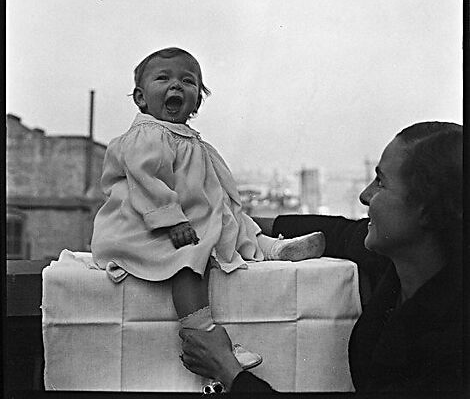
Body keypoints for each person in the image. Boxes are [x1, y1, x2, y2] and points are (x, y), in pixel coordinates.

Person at [179, 121, 463, 394]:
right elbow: (337, 232)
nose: (365, 195)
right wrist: (237, 225)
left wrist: (229, 372)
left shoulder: (453, 340)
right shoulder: (402, 259)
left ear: (427, 209)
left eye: (381, 182)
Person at [91, 47, 325, 375]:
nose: (176, 86)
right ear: (141, 99)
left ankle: (273, 246)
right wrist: (170, 220)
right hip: (144, 225)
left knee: (230, 220)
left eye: (187, 82)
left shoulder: (187, 138)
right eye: (163, 78)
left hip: (187, 216)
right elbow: (147, 182)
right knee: (189, 259)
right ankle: (202, 332)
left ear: (197, 101)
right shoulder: (147, 134)